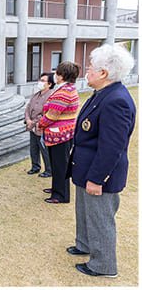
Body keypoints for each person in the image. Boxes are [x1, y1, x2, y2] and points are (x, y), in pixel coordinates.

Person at [66, 44, 136, 278]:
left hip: (98, 174)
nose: (87, 71)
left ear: (104, 73)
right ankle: (84, 244)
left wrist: (97, 179)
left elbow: (111, 147)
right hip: (85, 170)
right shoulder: (102, 93)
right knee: (85, 213)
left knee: (100, 219)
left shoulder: (116, 100)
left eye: (90, 67)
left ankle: (103, 265)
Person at [37, 62, 80, 203]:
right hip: (60, 133)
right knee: (57, 164)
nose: (54, 75)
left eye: (56, 73)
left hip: (60, 135)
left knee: (60, 165)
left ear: (61, 76)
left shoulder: (64, 92)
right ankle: (56, 188)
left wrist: (40, 124)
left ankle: (60, 195)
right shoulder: (66, 88)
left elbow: (52, 114)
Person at [24, 72, 54, 178]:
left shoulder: (51, 96)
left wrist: (32, 123)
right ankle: (35, 167)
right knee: (33, 148)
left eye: (43, 81)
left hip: (42, 128)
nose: (40, 82)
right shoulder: (36, 94)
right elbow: (28, 108)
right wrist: (27, 119)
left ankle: (49, 170)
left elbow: (45, 114)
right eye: (40, 80)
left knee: (44, 150)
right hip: (32, 127)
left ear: (49, 84)